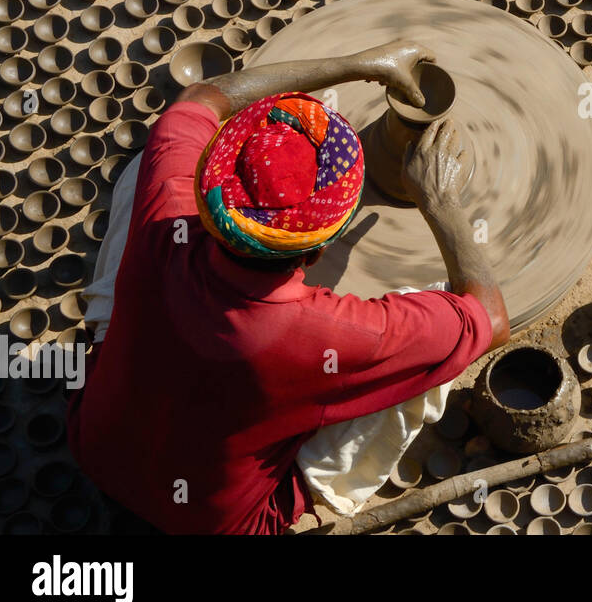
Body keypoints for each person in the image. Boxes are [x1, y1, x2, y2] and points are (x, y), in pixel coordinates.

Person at [66, 40, 510, 534]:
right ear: (319, 250)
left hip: (95, 447)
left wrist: (356, 64)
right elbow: (489, 319)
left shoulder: (171, 216)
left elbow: (204, 97)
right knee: (436, 346)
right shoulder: (330, 336)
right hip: (216, 523)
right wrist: (441, 203)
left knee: (153, 161)